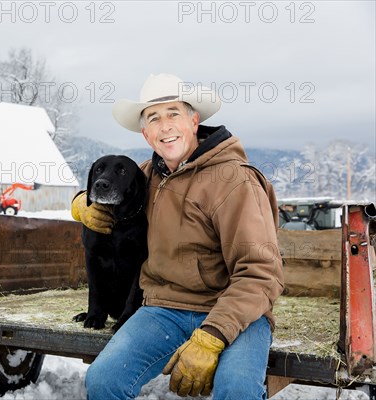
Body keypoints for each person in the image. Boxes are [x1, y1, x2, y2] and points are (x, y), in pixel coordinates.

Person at [71, 73, 284, 399]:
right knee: (104, 380)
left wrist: (211, 336)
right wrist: (79, 206)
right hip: (162, 310)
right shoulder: (147, 176)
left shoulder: (235, 181)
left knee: (237, 389)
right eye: (154, 118)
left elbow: (260, 272)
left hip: (233, 314)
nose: (165, 125)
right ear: (146, 133)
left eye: (174, 114)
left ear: (194, 120)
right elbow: (108, 185)